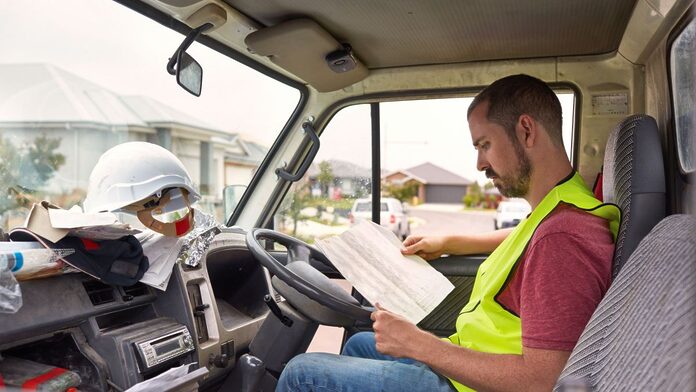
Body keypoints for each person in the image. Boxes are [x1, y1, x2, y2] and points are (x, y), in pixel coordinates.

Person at [276, 74, 621, 392]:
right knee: (360, 344)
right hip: (471, 361)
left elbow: (545, 380)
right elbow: (527, 238)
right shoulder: (563, 205)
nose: (480, 164)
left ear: (526, 131)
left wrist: (422, 345)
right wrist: (449, 242)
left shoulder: (562, 238)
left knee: (302, 372)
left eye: (484, 144)